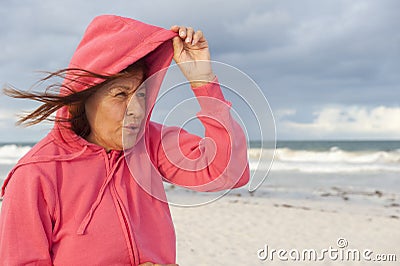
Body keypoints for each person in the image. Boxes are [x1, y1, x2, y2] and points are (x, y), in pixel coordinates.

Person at [0, 15, 249, 265]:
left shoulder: (148, 145)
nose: (137, 109)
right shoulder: (36, 174)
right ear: (84, 97)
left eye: (141, 94)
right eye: (120, 94)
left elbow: (228, 171)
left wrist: (202, 82)